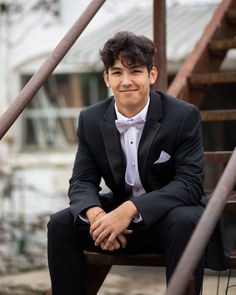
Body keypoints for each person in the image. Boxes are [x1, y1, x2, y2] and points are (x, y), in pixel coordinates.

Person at [47, 31, 228, 295]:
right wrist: (98, 216)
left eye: (135, 72)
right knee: (60, 224)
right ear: (107, 77)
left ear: (151, 75)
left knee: (186, 220)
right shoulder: (91, 119)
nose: (126, 81)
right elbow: (82, 180)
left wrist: (129, 210)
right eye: (117, 72)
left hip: (167, 221)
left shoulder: (183, 115)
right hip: (118, 224)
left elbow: (189, 184)